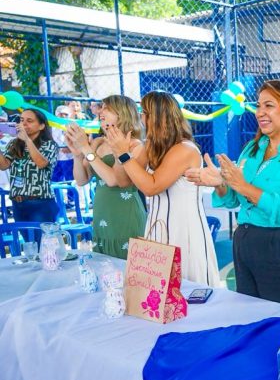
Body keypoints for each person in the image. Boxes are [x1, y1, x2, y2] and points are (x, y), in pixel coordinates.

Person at [186, 80, 280, 309]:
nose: (260, 112)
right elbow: (233, 199)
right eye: (259, 105)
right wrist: (221, 183)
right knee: (249, 316)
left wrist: (242, 186)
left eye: (269, 106)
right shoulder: (252, 149)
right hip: (247, 244)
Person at [104, 91, 220, 287]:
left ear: (156, 116)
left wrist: (124, 155)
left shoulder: (185, 149)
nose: (141, 117)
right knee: (156, 296)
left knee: (189, 291)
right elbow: (124, 180)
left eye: (144, 112)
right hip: (158, 227)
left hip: (183, 230)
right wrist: (119, 151)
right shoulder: (151, 146)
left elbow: (151, 186)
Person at [65, 95, 146, 259]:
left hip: (125, 215)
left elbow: (113, 180)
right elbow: (82, 179)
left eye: (107, 108)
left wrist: (85, 149)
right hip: (102, 214)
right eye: (101, 107)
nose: (101, 111)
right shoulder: (98, 143)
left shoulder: (135, 145)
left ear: (122, 113)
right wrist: (77, 155)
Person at [0, 109, 59, 223]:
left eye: (29, 121)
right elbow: (3, 166)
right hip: (18, 203)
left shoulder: (49, 144)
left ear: (41, 126)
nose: (24, 124)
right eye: (21, 120)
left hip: (40, 203)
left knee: (42, 240)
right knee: (28, 241)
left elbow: (41, 163)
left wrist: (27, 139)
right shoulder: (14, 144)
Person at [51, 106, 76, 208]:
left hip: (68, 158)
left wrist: (70, 147)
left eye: (65, 114)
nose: (63, 116)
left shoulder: (71, 126)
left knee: (70, 179)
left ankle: (71, 200)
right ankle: (58, 200)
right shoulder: (53, 126)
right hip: (56, 158)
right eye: (61, 114)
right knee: (55, 179)